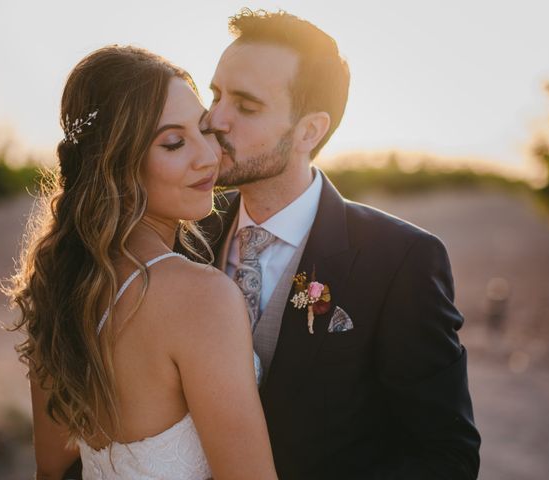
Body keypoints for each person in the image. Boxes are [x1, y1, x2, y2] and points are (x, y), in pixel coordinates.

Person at [190, 8, 481, 479]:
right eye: (215, 94)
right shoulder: (182, 235)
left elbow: (446, 455)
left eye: (245, 106)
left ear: (309, 130)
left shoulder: (400, 261)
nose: (214, 119)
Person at [5, 45, 277, 480]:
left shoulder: (59, 285)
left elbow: (51, 467)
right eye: (173, 143)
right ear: (116, 165)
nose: (208, 156)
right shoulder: (201, 297)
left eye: (204, 129)